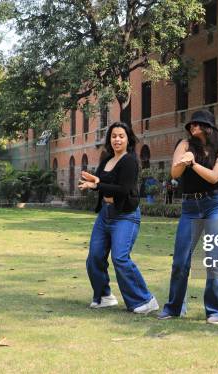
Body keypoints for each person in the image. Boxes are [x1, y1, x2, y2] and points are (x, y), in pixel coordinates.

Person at [157, 110, 218, 325]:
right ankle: (174, 307)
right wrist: (184, 160)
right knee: (181, 260)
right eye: (191, 125)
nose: (193, 128)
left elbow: (214, 177)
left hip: (215, 204)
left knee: (213, 256)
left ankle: (217, 311)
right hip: (190, 207)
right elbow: (174, 173)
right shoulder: (184, 145)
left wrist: (193, 163)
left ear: (209, 127)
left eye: (198, 125)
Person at [79, 122, 158, 314]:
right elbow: (101, 181)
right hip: (106, 214)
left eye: (121, 136)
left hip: (125, 215)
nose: (117, 139)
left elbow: (123, 189)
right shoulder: (106, 159)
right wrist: (94, 181)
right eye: (113, 136)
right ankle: (104, 296)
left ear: (128, 139)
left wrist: (97, 185)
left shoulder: (130, 161)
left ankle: (145, 300)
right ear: (109, 139)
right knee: (94, 257)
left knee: (120, 258)